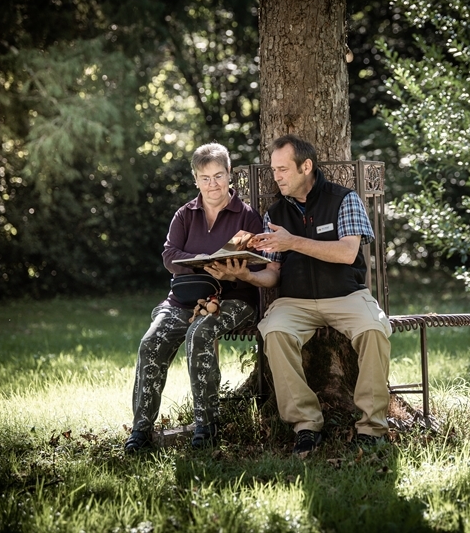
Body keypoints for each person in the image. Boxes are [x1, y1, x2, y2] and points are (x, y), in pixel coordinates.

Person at [212, 134, 392, 455]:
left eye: (282, 169)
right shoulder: (275, 214)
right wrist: (245, 275)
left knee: (374, 329)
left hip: (346, 295)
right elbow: (273, 274)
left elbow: (347, 253)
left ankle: (372, 427)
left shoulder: (344, 199)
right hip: (294, 301)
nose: (276, 176)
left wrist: (292, 241)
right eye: (273, 169)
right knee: (275, 331)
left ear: (305, 166)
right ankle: (306, 424)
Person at [124, 143, 263, 453]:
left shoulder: (247, 216)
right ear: (195, 179)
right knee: (151, 343)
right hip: (185, 297)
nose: (212, 185)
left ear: (230, 175)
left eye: (218, 176)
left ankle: (207, 426)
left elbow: (258, 259)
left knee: (199, 333)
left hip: (235, 297)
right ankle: (141, 431)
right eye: (204, 178)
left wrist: (234, 268)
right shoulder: (185, 214)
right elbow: (169, 255)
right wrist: (202, 258)